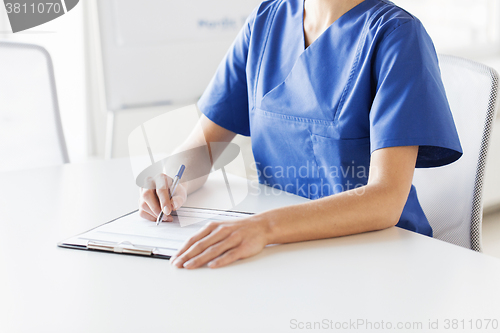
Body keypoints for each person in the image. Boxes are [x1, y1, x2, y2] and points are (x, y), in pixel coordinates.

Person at [139, 0, 462, 269]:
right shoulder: (267, 21)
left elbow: (387, 199)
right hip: (282, 252)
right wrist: (171, 180)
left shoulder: (396, 35)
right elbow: (203, 147)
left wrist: (263, 227)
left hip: (378, 256)